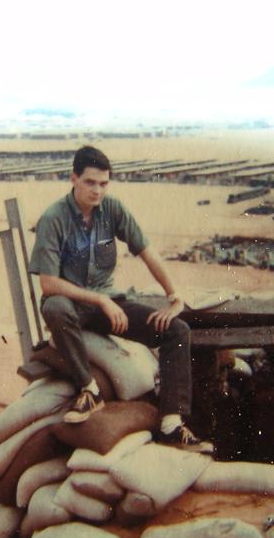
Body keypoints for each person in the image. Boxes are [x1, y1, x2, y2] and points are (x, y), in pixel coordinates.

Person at [28, 145, 213, 454]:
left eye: (104, 184)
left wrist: (174, 295)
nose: (97, 191)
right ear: (73, 178)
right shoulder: (53, 218)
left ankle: (171, 424)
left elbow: (147, 252)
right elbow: (48, 284)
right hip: (71, 306)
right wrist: (100, 301)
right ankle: (89, 389)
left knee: (177, 331)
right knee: (55, 307)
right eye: (90, 182)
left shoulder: (112, 209)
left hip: (110, 305)